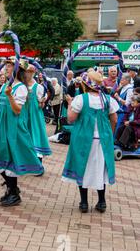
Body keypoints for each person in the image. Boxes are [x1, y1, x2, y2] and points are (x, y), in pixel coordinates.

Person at [0, 59, 44, 207]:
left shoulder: (21, 88)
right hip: (1, 126)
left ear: (17, 70)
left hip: (13, 128)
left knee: (11, 159)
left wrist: (10, 96)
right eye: (7, 65)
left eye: (9, 66)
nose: (6, 68)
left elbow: (17, 111)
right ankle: (12, 189)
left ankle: (14, 193)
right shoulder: (5, 85)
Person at [62, 71, 119, 213]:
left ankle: (84, 203)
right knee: (101, 170)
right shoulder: (107, 99)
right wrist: (109, 134)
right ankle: (101, 201)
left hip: (83, 140)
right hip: (102, 141)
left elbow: (71, 118)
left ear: (85, 84)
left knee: (83, 168)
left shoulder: (81, 99)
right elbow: (115, 119)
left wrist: (69, 104)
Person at [25, 64, 51, 165]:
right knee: (25, 137)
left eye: (29, 72)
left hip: (34, 116)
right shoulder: (22, 85)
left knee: (35, 136)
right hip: (24, 116)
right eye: (26, 72)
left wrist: (41, 102)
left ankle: (38, 164)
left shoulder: (38, 87)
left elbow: (41, 106)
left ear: (33, 73)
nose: (26, 74)